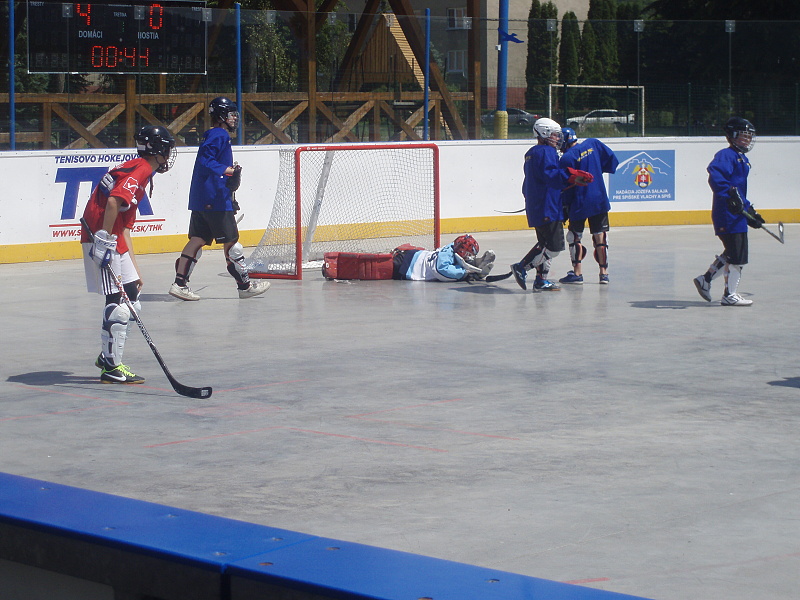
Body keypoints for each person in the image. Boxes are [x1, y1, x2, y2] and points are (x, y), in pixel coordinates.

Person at [82, 125, 177, 384]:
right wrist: (103, 239)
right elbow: (114, 200)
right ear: (157, 150)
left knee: (132, 297)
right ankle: (112, 367)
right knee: (117, 304)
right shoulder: (142, 168)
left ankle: (107, 355)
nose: (169, 155)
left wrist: (135, 269)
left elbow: (124, 226)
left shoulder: (140, 171)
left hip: (112, 237)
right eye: (167, 149)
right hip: (101, 237)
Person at [169, 97, 270, 301]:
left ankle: (179, 284)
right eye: (231, 114)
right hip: (214, 199)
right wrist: (228, 170)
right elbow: (205, 161)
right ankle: (245, 286)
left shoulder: (214, 134)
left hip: (203, 198)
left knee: (197, 240)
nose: (235, 118)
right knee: (232, 245)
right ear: (222, 115)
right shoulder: (219, 134)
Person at [510, 118, 593, 291]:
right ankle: (521, 267)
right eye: (555, 135)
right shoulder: (547, 152)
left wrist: (568, 179)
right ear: (544, 133)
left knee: (544, 245)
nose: (558, 138)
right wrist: (572, 176)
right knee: (554, 247)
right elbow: (552, 176)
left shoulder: (531, 154)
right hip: (548, 207)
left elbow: (537, 181)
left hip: (537, 207)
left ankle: (541, 280)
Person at [693, 116, 762, 306]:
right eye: (744, 136)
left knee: (733, 252)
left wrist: (750, 212)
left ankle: (705, 279)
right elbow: (716, 176)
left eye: (749, 136)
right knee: (737, 256)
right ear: (732, 135)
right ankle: (729, 295)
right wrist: (730, 196)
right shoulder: (726, 155)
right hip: (727, 214)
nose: (747, 140)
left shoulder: (742, 158)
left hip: (737, 215)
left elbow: (739, 191)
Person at [557, 127, 619, 285]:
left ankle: (577, 273)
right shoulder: (593, 144)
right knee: (600, 236)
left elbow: (566, 186)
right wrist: (596, 171)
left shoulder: (566, 158)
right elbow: (611, 160)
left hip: (579, 202)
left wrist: (564, 208)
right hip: (599, 198)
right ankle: (604, 273)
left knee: (574, 237)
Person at [392, 235, 495, 282]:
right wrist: (465, 272)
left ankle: (475, 263)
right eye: (469, 255)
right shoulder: (444, 257)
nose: (469, 256)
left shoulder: (452, 247)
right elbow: (442, 270)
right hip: (405, 266)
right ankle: (475, 265)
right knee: (386, 267)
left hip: (417, 255)